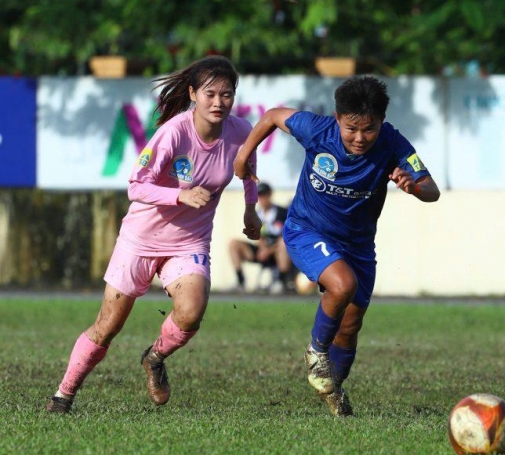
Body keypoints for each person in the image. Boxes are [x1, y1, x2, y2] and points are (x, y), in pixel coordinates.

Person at [46, 56, 262, 413]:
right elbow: (136, 185)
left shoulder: (240, 131)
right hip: (141, 239)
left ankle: (155, 357)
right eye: (210, 94)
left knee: (191, 311)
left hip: (189, 242)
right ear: (193, 94)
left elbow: (248, 168)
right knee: (107, 327)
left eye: (226, 94)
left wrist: (250, 209)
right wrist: (179, 195)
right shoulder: (174, 132)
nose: (218, 102)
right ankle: (63, 395)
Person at [233, 76, 440, 416]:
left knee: (350, 326)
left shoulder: (393, 143)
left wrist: (414, 187)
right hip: (306, 230)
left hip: (358, 246)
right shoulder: (316, 130)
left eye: (369, 129)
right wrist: (243, 154)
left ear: (382, 121)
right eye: (351, 128)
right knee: (343, 285)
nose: (360, 137)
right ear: (337, 118)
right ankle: (316, 352)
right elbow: (272, 116)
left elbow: (432, 190)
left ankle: (333, 393)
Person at [228, 181, 295, 293]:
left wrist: (268, 250)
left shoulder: (282, 212)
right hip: (262, 251)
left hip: (278, 251)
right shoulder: (255, 214)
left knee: (283, 243)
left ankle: (281, 281)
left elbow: (287, 236)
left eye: (264, 195)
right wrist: (263, 248)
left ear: (270, 195)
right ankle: (240, 281)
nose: (262, 198)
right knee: (233, 243)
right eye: (259, 195)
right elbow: (258, 236)